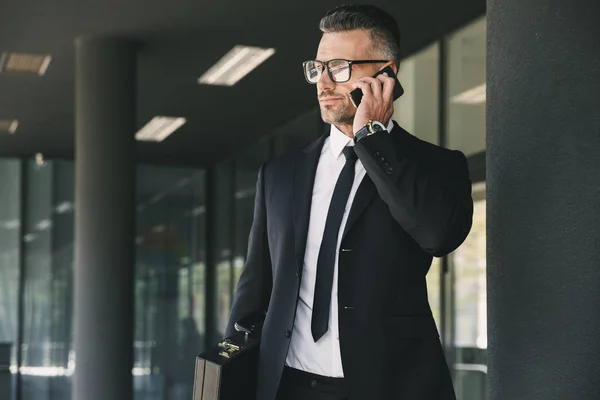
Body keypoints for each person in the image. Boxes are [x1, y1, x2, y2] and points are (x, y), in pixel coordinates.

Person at [226, 4, 473, 400]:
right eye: (317, 67)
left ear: (386, 73)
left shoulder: (436, 166)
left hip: (391, 387)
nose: (323, 83)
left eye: (339, 67)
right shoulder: (280, 174)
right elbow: (255, 290)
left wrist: (372, 139)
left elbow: (437, 235)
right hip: (288, 387)